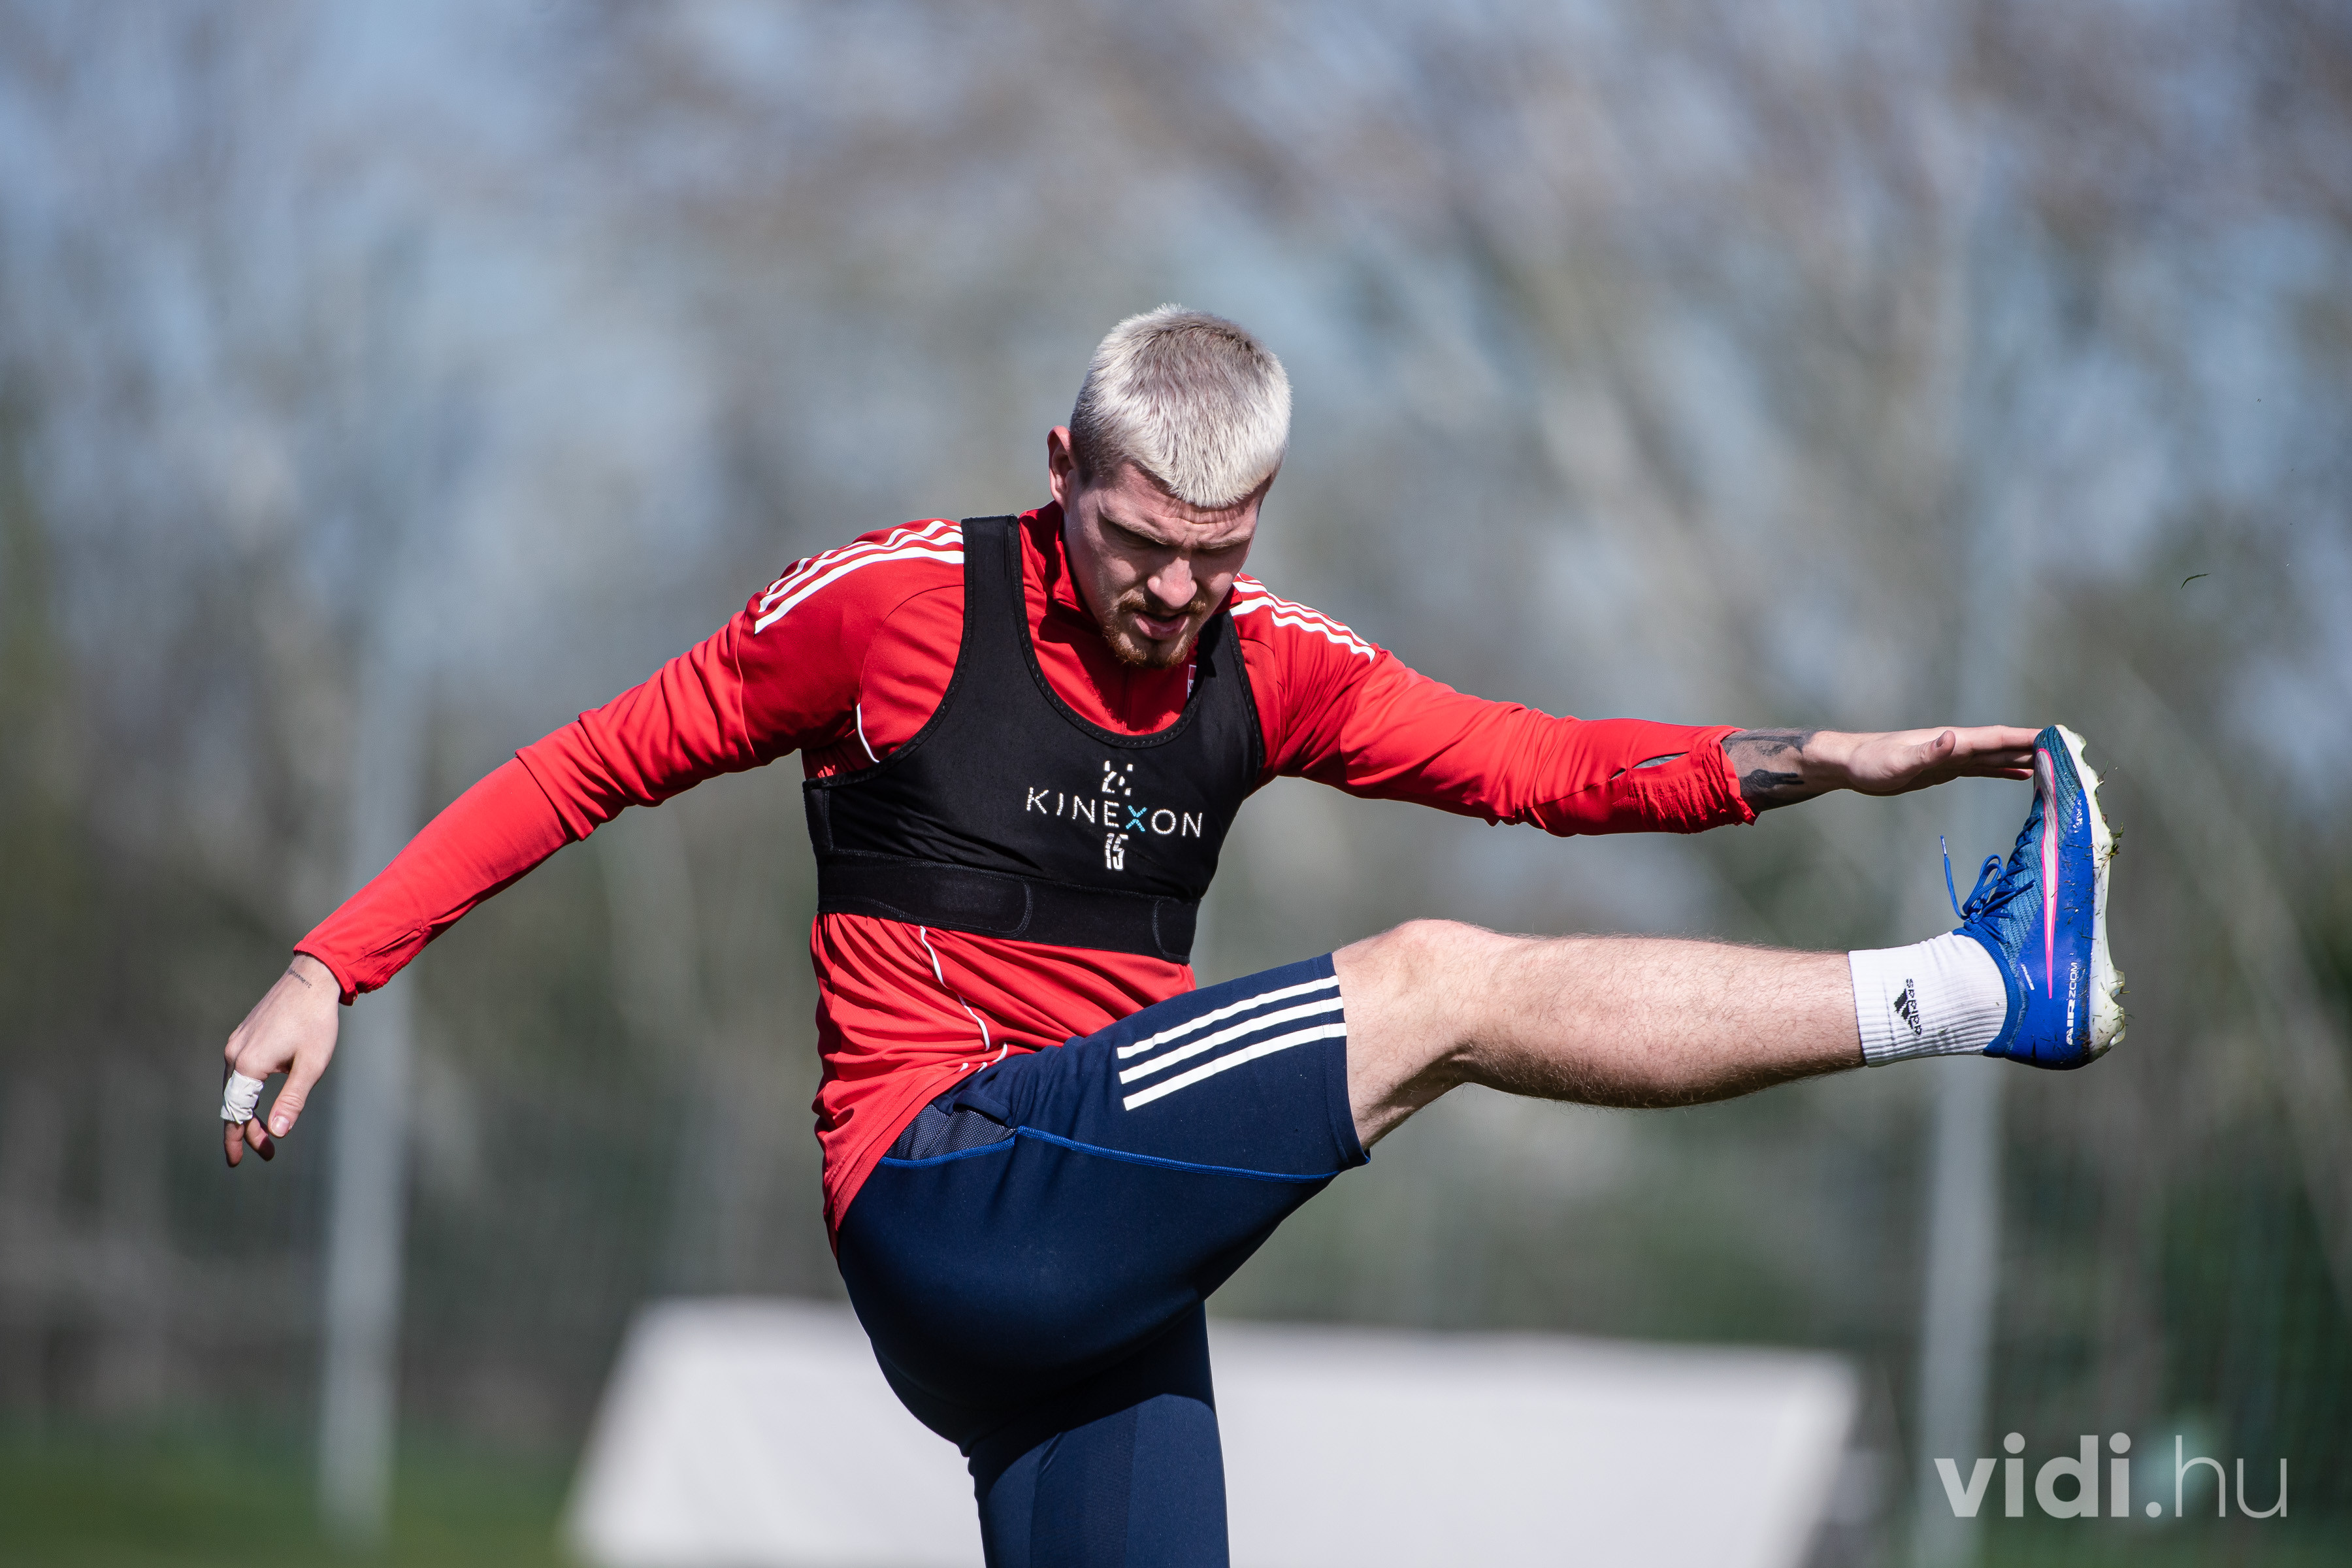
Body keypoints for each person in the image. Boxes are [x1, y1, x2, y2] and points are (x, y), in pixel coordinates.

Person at [218, 307, 2122, 1567]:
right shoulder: (893, 610)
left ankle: (1983, 979)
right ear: (1062, 465)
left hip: (1092, 1298)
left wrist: (1812, 761)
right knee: (1437, 988)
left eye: (1221, 549)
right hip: (944, 1189)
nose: (1175, 590)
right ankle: (1976, 986)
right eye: (1139, 539)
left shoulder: (1266, 660)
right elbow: (590, 765)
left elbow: (1534, 764)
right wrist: (332, 962)